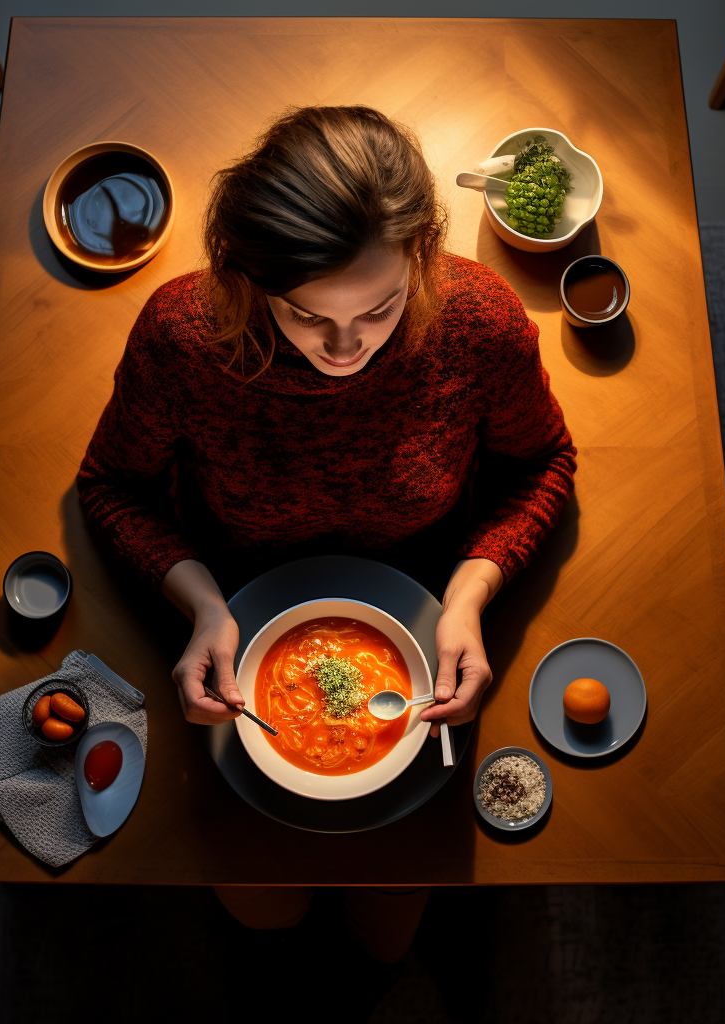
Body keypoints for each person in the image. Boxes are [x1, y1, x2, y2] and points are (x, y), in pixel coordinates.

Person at [77, 105, 576, 962]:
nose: (346, 348)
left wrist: (472, 593)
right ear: (245, 279)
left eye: (381, 309)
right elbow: (111, 485)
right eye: (307, 316)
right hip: (234, 628)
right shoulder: (181, 339)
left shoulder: (480, 324)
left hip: (429, 619)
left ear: (421, 257)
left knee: (393, 928)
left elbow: (545, 464)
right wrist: (198, 603)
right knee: (258, 912)